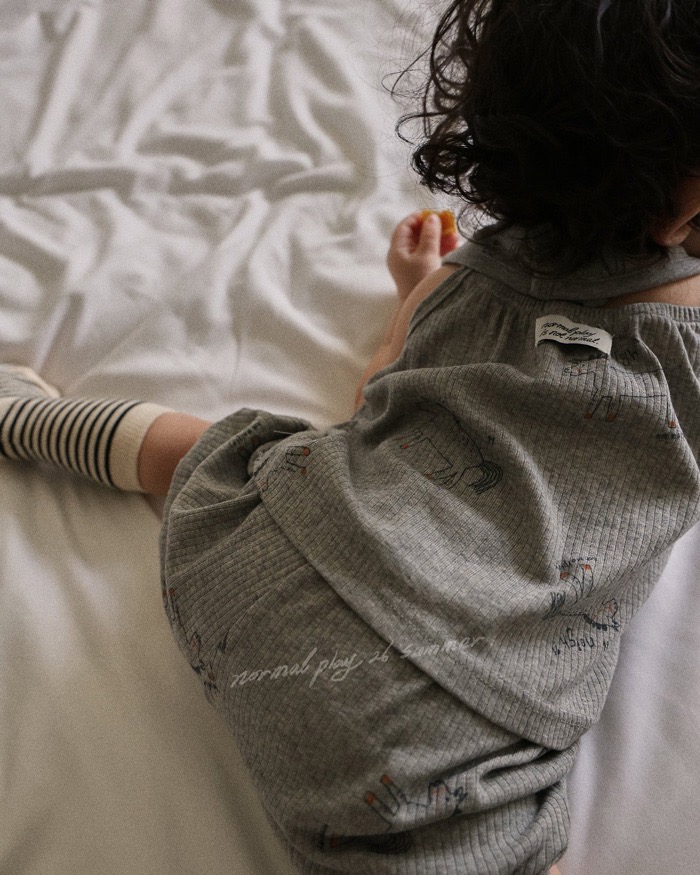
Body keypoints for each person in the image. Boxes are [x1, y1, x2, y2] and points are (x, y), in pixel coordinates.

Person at [2, 1, 700, 872]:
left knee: (239, 457)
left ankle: (25, 417)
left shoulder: (463, 284)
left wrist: (413, 290)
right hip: (441, 703)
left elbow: (377, 396)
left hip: (253, 583)